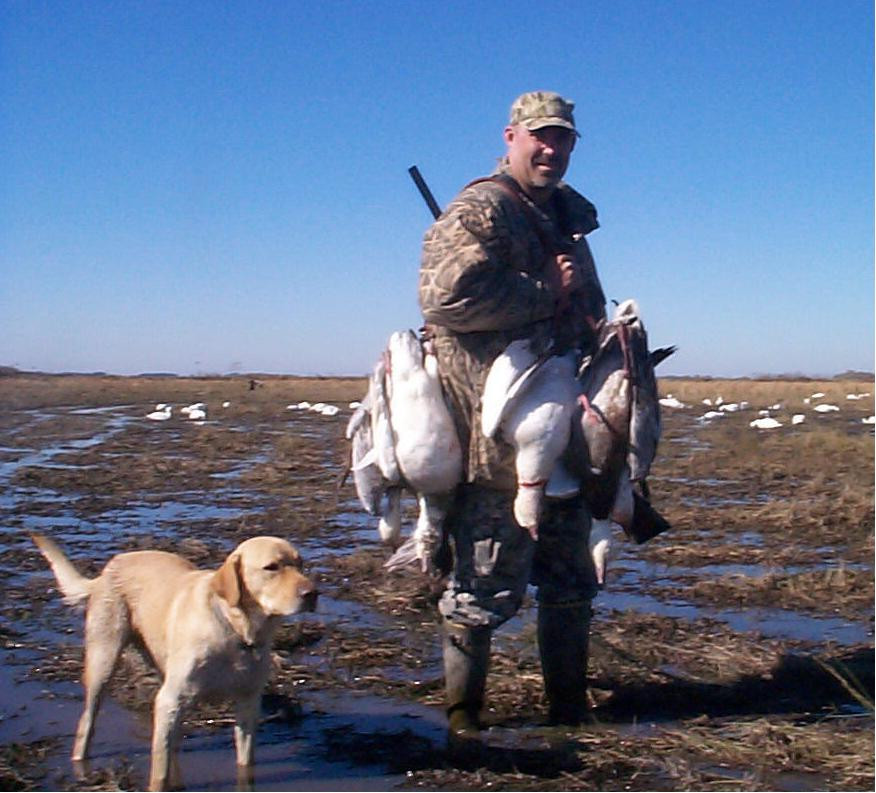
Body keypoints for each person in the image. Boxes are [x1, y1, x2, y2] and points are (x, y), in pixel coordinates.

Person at [418, 90, 608, 737]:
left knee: (569, 579)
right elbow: (443, 299)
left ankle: (567, 712)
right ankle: (464, 719)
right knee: (482, 582)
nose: (552, 149)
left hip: (566, 438)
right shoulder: (482, 208)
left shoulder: (567, 219)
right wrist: (540, 292)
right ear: (511, 137)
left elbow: (588, 308)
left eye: (564, 140)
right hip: (493, 438)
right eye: (540, 136)